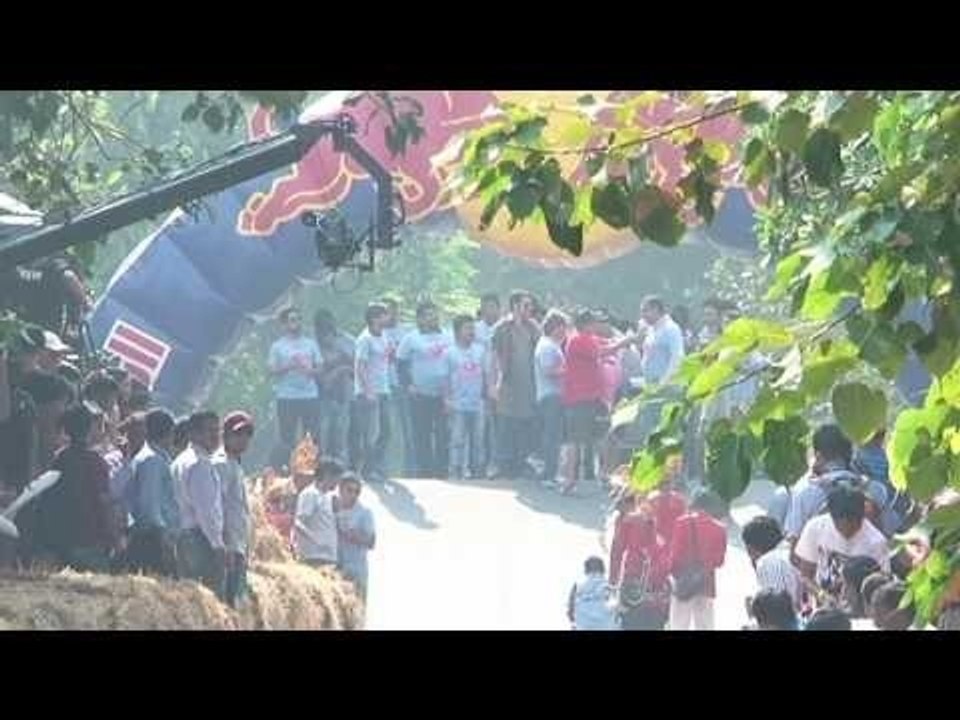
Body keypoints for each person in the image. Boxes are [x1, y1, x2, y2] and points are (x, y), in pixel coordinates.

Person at [33, 402, 120, 572]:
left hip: (63, 539)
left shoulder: (59, 459)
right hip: (90, 538)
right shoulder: (95, 462)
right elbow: (103, 502)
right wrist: (114, 537)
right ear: (89, 428)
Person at [560, 310, 635, 495]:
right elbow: (605, 350)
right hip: (579, 398)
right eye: (594, 322)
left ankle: (603, 475)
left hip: (595, 398)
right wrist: (627, 341)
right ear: (586, 324)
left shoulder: (591, 338)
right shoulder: (578, 340)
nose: (598, 326)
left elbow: (608, 343)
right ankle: (570, 479)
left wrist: (627, 338)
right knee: (575, 440)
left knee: (603, 436)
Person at [793, 485, 890, 608]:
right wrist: (822, 595)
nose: (847, 533)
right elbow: (805, 576)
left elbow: (881, 585)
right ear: (832, 518)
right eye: (841, 528)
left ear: (862, 517)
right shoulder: (815, 528)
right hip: (822, 605)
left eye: (854, 527)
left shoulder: (876, 542)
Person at [782, 424, 883, 542]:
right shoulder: (875, 490)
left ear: (818, 455)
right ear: (850, 452)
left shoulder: (805, 491)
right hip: (868, 557)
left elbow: (793, 538)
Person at [171, 411, 226, 599]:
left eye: (217, 430)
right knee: (210, 602)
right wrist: (218, 545)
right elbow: (206, 511)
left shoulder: (180, 460)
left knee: (191, 600)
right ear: (193, 434)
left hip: (184, 538)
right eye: (209, 431)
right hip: (200, 540)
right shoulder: (200, 464)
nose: (216, 436)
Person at [397, 301, 452, 477]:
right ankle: (425, 473)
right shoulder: (411, 339)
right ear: (419, 318)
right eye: (428, 315)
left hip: (443, 395)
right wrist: (408, 385)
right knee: (422, 435)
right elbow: (401, 365)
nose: (433, 318)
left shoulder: (448, 335)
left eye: (435, 314)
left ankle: (442, 471)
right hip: (420, 395)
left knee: (444, 434)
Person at [491, 290, 541, 479]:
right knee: (506, 424)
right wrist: (493, 384)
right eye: (525, 305)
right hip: (507, 384)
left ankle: (521, 463)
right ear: (515, 306)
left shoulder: (533, 328)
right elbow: (494, 357)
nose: (530, 309)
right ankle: (503, 465)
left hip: (528, 385)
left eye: (531, 305)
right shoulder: (502, 327)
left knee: (525, 425)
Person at [125, 408, 180, 576]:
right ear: (170, 433)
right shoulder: (153, 461)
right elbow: (149, 505)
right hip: (152, 539)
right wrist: (163, 536)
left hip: (151, 535)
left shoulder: (150, 457)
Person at [267, 308, 323, 469]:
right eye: (292, 320)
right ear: (284, 324)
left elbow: (320, 366)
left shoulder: (310, 344)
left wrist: (311, 371)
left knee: (311, 435)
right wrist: (289, 365)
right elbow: (271, 370)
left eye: (298, 319)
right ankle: (285, 467)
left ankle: (309, 467)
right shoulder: (278, 346)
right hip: (286, 396)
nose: (296, 323)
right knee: (287, 436)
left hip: (309, 395)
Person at [667, 489, 728, 630]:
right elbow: (719, 562)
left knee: (679, 625)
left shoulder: (681, 523)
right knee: (705, 625)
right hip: (706, 582)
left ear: (694, 503)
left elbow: (675, 554)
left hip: (683, 581)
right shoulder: (720, 528)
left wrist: (671, 575)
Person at [213, 411, 255, 608]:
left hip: (238, 545)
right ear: (226, 435)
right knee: (226, 603)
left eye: (247, 435)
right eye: (238, 434)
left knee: (235, 603)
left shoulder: (235, 463)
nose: (243, 439)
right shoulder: (221, 463)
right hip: (228, 546)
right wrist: (225, 544)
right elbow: (216, 507)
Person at [609, 510, 670, 630]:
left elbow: (624, 580)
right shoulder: (661, 546)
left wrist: (614, 586)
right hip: (656, 611)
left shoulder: (633, 553)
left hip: (634, 608)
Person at [444, 315, 488, 481]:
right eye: (467, 328)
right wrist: (447, 400)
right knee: (457, 439)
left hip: (478, 403)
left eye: (472, 328)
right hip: (458, 404)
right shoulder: (449, 353)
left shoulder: (480, 350)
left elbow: (485, 374)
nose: (471, 332)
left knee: (479, 440)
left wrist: (487, 397)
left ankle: (477, 471)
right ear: (457, 331)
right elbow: (445, 379)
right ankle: (455, 470)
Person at [353, 302, 392, 483]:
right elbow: (360, 367)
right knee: (371, 432)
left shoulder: (384, 335)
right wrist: (368, 391)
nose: (389, 318)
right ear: (375, 318)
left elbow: (385, 359)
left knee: (386, 431)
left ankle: (376, 465)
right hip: (368, 392)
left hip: (383, 389)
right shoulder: (365, 339)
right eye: (385, 315)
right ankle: (367, 469)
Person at [314, 308, 355, 464]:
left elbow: (355, 368)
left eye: (330, 331)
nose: (328, 336)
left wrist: (342, 367)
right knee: (322, 433)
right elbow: (321, 377)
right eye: (324, 331)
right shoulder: (314, 347)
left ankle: (339, 465)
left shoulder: (344, 345)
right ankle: (320, 465)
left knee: (340, 433)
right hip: (321, 397)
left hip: (342, 395)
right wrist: (338, 369)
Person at [534, 310, 568, 487]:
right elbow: (548, 370)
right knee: (551, 437)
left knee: (553, 436)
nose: (565, 332)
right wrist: (568, 370)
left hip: (554, 396)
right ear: (554, 327)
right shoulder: (547, 346)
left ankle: (551, 473)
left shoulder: (552, 345)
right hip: (550, 396)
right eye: (562, 327)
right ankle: (548, 475)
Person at [382, 297, 415, 475]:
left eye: (392, 310)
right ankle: (383, 469)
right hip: (383, 387)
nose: (389, 315)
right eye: (385, 311)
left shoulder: (407, 332)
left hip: (402, 385)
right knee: (385, 430)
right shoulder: (375, 333)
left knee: (408, 429)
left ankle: (411, 469)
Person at [741, 515, 803, 612]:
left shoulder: (768, 562)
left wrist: (754, 609)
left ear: (751, 549)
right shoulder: (789, 550)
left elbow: (778, 610)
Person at [292, 458, 344, 568]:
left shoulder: (329, 496)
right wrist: (315, 540)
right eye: (336, 479)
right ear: (327, 475)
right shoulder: (310, 494)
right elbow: (298, 523)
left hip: (329, 557)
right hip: (313, 557)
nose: (338, 483)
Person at [336, 472, 376, 600]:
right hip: (336, 568)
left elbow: (372, 542)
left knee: (357, 612)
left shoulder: (364, 513)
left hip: (356, 569)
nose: (353, 495)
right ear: (340, 489)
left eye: (357, 492)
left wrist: (355, 536)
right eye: (349, 490)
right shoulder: (331, 507)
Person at [475, 294, 501, 478]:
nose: (489, 311)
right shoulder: (475, 329)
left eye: (493, 307)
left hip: (501, 382)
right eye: (486, 307)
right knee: (481, 426)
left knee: (498, 425)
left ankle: (496, 462)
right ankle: (479, 463)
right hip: (477, 382)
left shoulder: (504, 328)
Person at [638, 296, 685, 387]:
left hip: (666, 385)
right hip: (651, 384)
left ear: (656, 309)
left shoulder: (670, 329)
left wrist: (664, 382)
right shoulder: (651, 329)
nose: (642, 315)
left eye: (645, 311)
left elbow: (677, 357)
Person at [567, 556, 618, 630]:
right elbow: (617, 609)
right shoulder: (609, 586)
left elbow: (570, 613)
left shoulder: (577, 586)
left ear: (585, 570)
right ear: (603, 570)